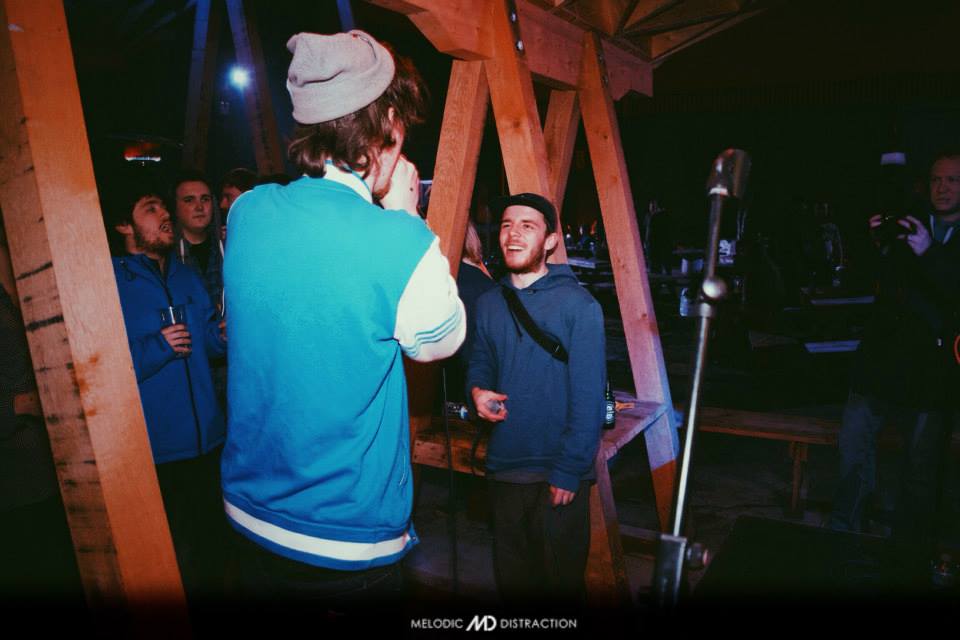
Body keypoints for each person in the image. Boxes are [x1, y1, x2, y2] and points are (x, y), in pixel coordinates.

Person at [220, 30, 465, 607]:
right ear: (389, 126)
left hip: (246, 515)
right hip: (343, 539)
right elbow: (442, 339)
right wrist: (406, 215)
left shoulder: (248, 211)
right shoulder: (397, 241)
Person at [467, 192, 606, 603]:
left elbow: (589, 397)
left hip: (555, 473)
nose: (513, 234)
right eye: (507, 225)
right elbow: (480, 361)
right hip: (505, 466)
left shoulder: (579, 306)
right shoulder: (489, 303)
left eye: (527, 226)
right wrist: (477, 391)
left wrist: (570, 468)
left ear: (550, 241)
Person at [829, 151, 960, 575]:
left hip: (932, 372)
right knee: (852, 449)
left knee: (920, 469)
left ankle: (908, 556)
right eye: (937, 180)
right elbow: (869, 280)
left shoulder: (933, 237)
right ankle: (843, 539)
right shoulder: (908, 221)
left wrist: (930, 253)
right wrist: (874, 244)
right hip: (880, 362)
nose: (943, 188)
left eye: (953, 180)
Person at [106, 176, 229, 601]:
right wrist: (158, 347)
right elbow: (100, 364)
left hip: (208, 442)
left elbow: (205, 343)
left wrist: (221, 336)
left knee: (216, 553)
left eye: (163, 207)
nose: (164, 216)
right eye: (151, 208)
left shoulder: (184, 274)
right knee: (170, 566)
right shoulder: (110, 281)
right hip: (155, 453)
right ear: (124, 225)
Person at [172, 170, 224, 314]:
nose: (199, 207)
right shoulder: (168, 256)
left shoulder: (227, 248)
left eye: (205, 199)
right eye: (189, 200)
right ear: (175, 207)